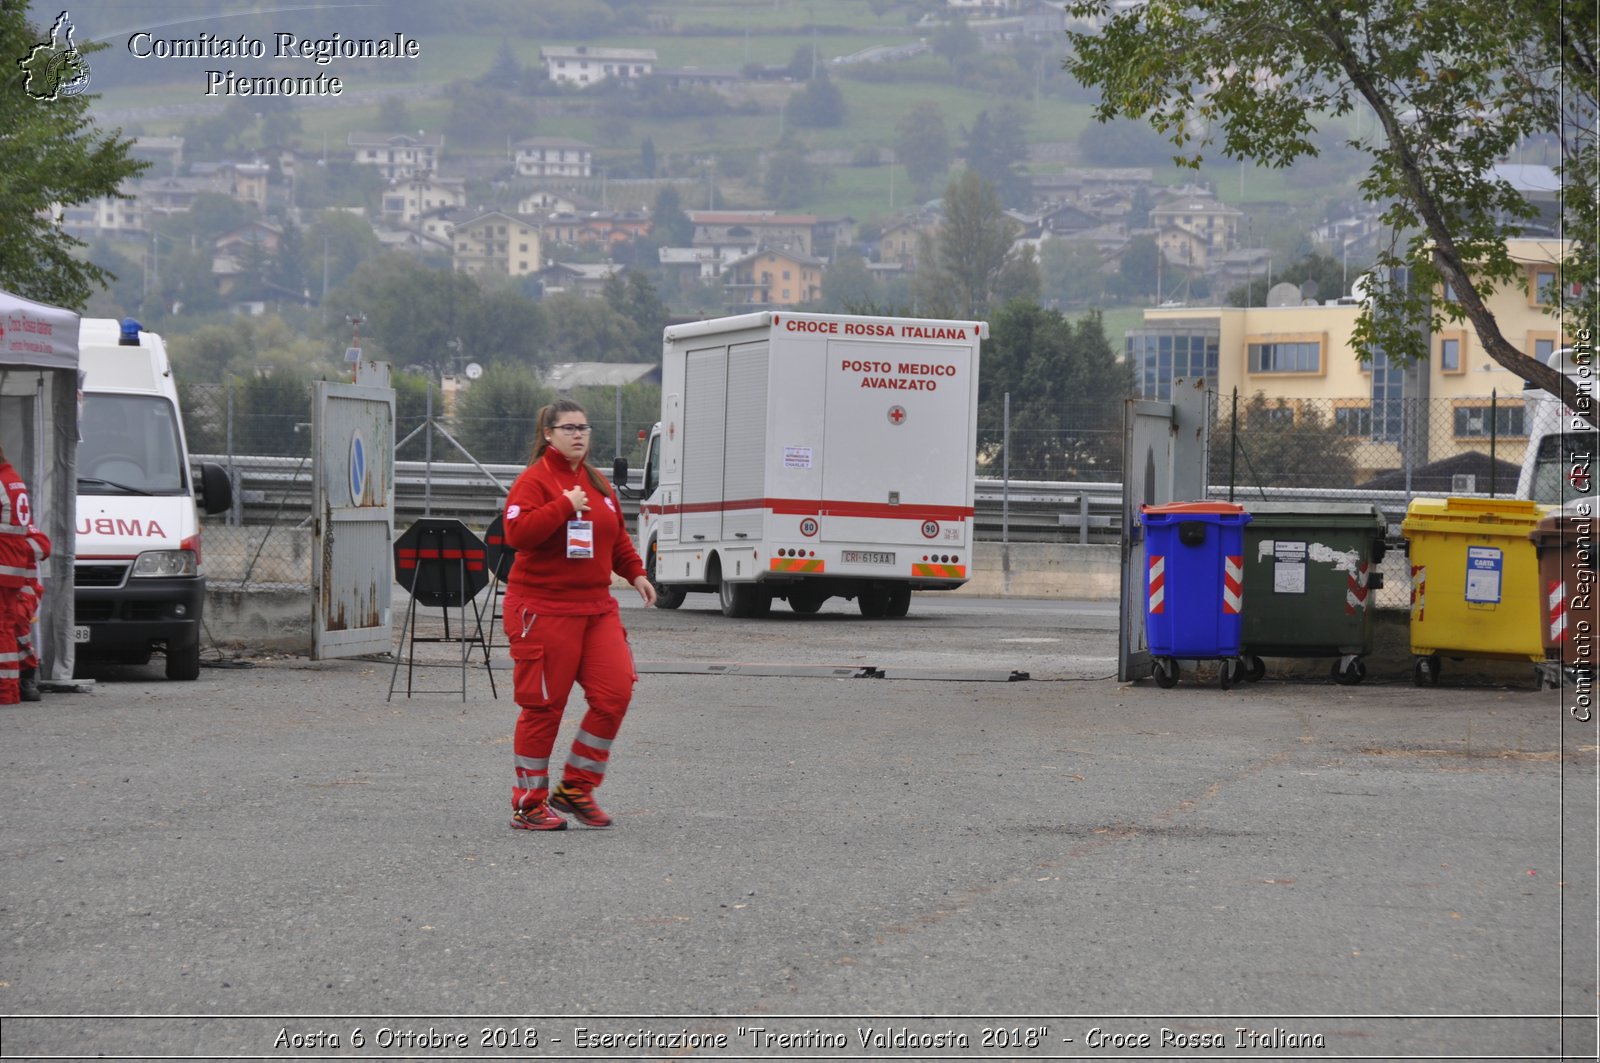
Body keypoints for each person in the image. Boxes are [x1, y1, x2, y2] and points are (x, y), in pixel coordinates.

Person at [500, 399, 656, 831]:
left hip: (596, 609)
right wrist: (564, 506)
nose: (578, 434)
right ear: (548, 434)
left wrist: (635, 572)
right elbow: (517, 534)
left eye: (584, 427)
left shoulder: (595, 480)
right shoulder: (534, 482)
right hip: (543, 608)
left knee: (615, 693)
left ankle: (575, 788)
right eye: (568, 428)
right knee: (544, 707)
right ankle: (528, 804)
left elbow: (616, 536)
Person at [0, 444, 51, 705]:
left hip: (15, 579)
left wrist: (19, 554)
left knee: (10, 628)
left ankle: (17, 683)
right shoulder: (11, 483)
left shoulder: (5, 484)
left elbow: (41, 544)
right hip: (12, 575)